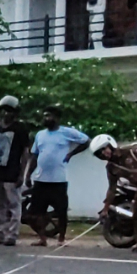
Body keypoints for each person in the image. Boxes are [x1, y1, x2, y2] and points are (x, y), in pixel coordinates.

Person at [24, 105, 89, 246]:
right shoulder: (40, 135)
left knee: (61, 211)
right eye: (45, 116)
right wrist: (28, 174)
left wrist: (71, 154)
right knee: (35, 213)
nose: (46, 119)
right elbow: (35, 156)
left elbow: (86, 141)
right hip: (41, 179)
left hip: (58, 180)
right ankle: (42, 238)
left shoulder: (66, 132)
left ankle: (61, 239)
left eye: (49, 116)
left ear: (57, 118)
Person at [0, 95, 31, 246]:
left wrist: (22, 174)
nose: (6, 114)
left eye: (9, 111)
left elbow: (25, 153)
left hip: (12, 173)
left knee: (14, 204)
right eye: (3, 110)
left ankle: (12, 234)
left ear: (15, 113)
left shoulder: (20, 129)